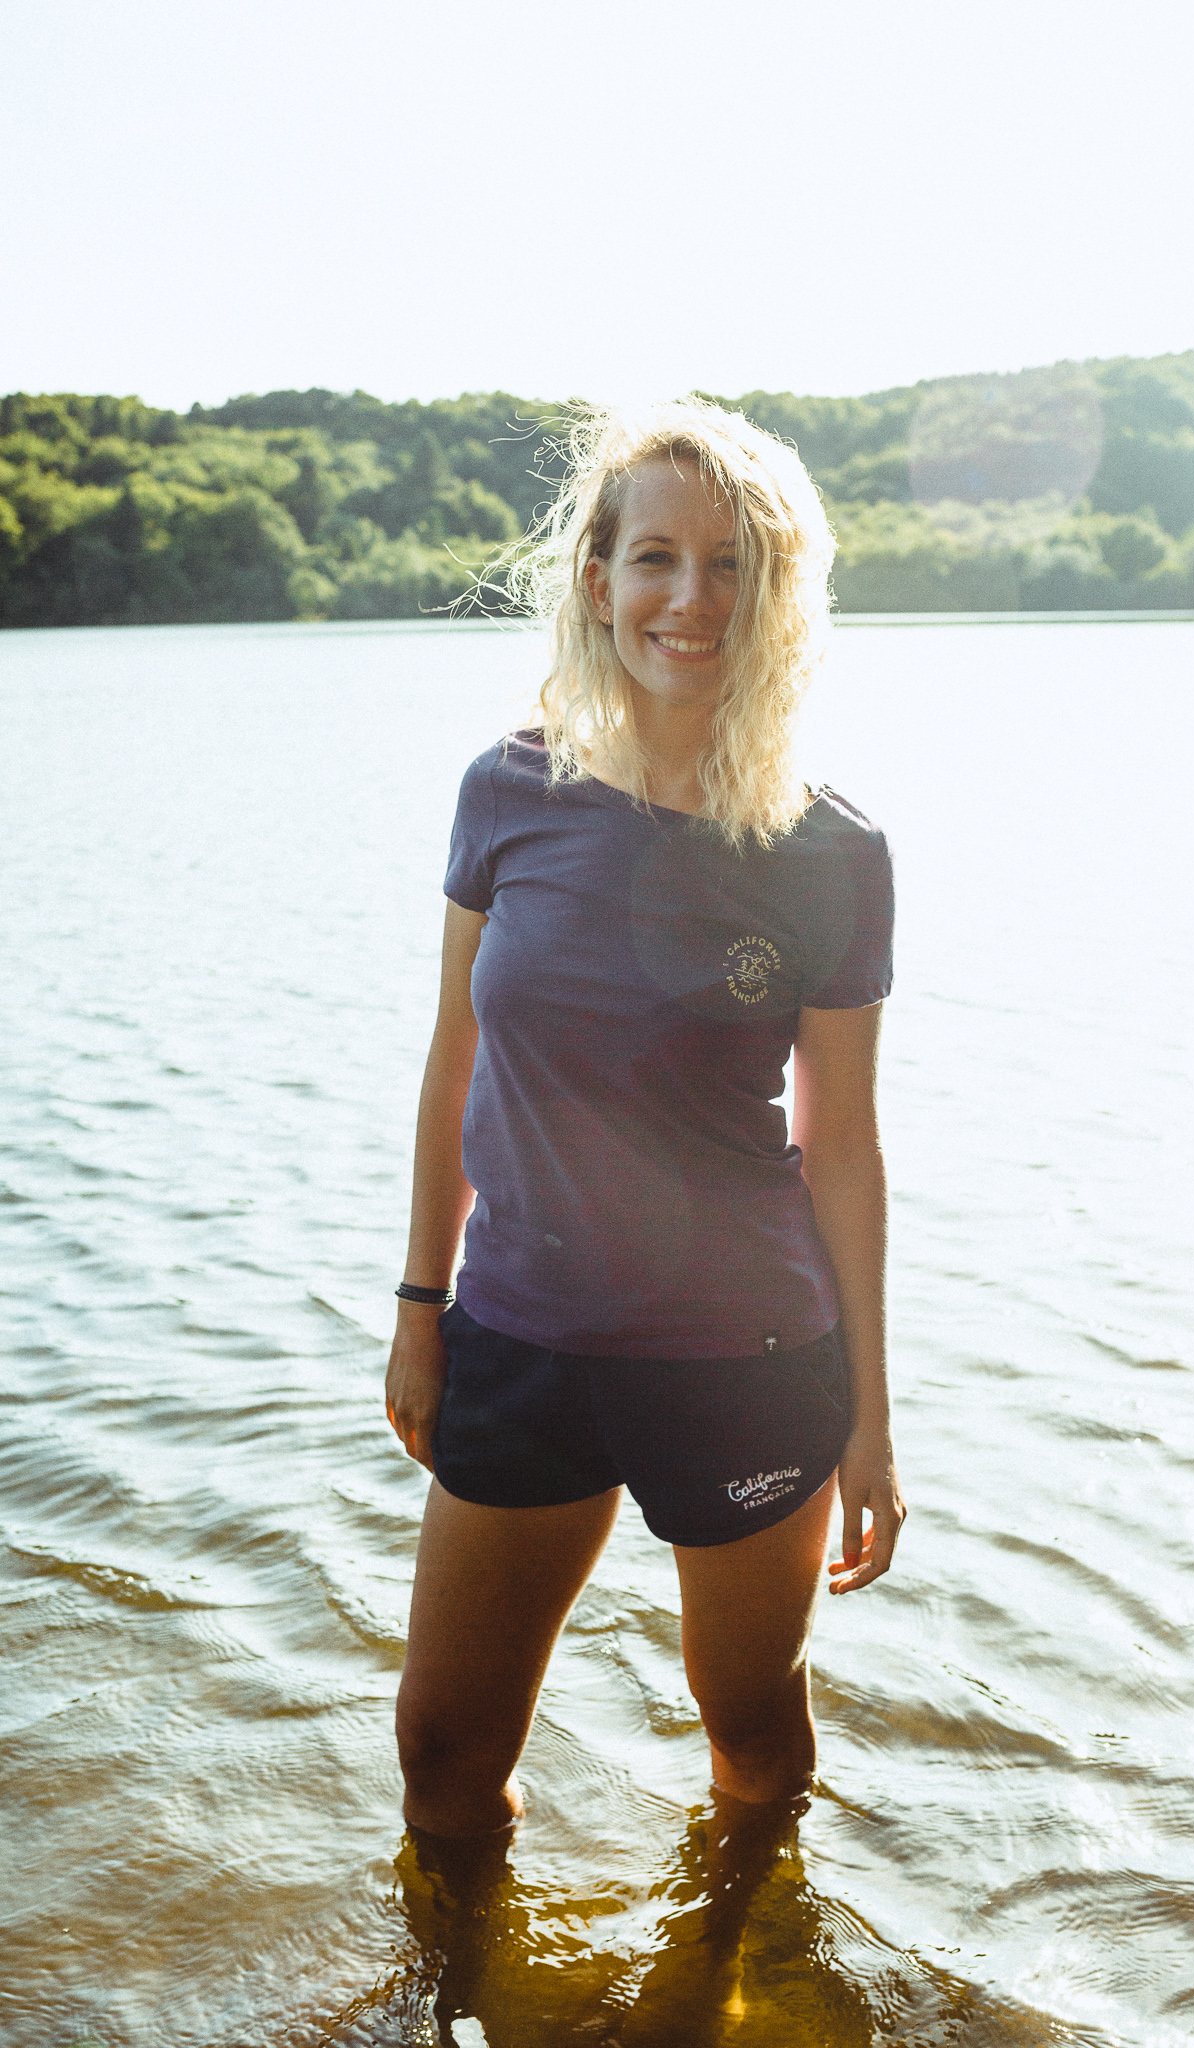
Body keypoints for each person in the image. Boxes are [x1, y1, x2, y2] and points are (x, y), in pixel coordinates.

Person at [385, 397, 904, 1840]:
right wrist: (421, 1305)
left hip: (748, 1360)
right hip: (520, 1336)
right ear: (598, 577)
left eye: (734, 564)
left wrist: (870, 1418)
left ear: (779, 593)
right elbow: (453, 1060)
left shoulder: (831, 852)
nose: (693, 600)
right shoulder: (509, 791)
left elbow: (842, 1146)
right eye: (658, 559)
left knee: (754, 1739)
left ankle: (747, 1944)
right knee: (440, 1755)